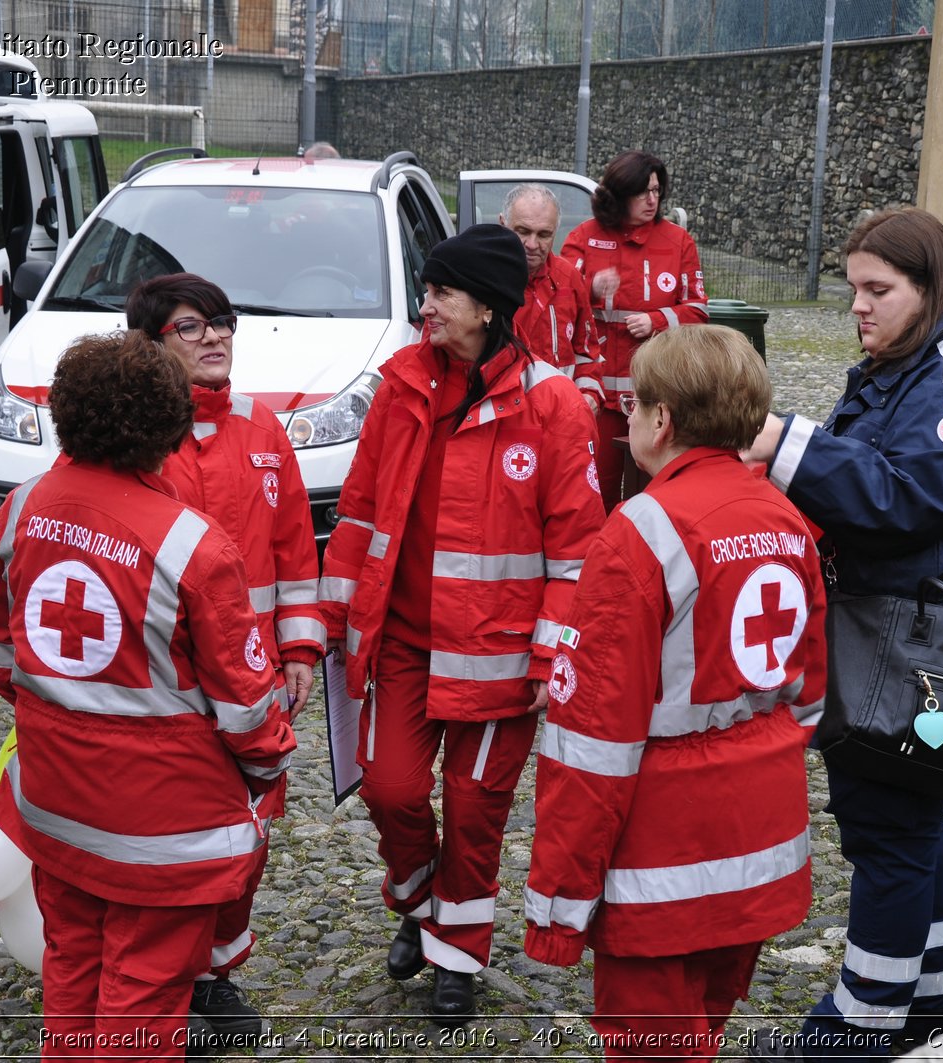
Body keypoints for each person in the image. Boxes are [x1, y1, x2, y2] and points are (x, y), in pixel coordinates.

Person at [742, 208, 943, 1060]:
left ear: (929, 287)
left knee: (889, 838)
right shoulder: (906, 364)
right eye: (853, 288)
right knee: (912, 822)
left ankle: (858, 1033)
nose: (858, 306)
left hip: (916, 651)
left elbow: (907, 497)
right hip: (898, 637)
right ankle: (926, 1003)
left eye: (878, 290)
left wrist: (784, 444)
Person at [0, 330, 296, 1061]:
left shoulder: (22, 507)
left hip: (57, 810)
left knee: (71, 973)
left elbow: (3, 661)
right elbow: (250, 709)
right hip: (166, 831)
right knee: (144, 1002)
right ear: (170, 426)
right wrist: (265, 773)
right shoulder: (193, 545)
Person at [318, 223, 604, 1023]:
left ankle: (457, 956)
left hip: (501, 659)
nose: (426, 305)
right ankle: (420, 902)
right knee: (391, 789)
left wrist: (552, 659)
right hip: (404, 644)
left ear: (487, 305)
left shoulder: (552, 405)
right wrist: (332, 618)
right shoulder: (401, 384)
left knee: (477, 816)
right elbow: (362, 510)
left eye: (441, 291)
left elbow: (575, 553)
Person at [523, 325, 828, 1061]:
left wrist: (556, 904)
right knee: (705, 1032)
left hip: (663, 859)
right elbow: (810, 696)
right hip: (762, 843)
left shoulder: (640, 533)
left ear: (661, 421)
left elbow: (591, 744)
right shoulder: (788, 520)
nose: (627, 420)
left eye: (635, 406)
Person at [124, 273, 325, 1037]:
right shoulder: (134, 438)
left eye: (221, 322)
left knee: (246, 834)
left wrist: (301, 643)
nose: (214, 337)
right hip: (165, 687)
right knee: (172, 839)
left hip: (254, 680)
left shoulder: (264, 430)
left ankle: (214, 975)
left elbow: (295, 548)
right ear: (149, 346)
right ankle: (162, 989)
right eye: (190, 327)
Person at [563, 149, 708, 511]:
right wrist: (590, 289)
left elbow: (698, 309)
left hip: (659, 398)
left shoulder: (678, 242)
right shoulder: (584, 237)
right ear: (619, 194)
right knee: (595, 492)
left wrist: (657, 320)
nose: (652, 199)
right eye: (643, 192)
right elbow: (557, 296)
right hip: (601, 400)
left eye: (657, 191)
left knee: (658, 495)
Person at [500, 183, 605, 409]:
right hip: (502, 418)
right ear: (503, 224)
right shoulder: (480, 279)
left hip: (560, 416)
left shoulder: (568, 278)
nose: (532, 244)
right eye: (523, 231)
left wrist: (589, 394)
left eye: (544, 235)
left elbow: (586, 353)